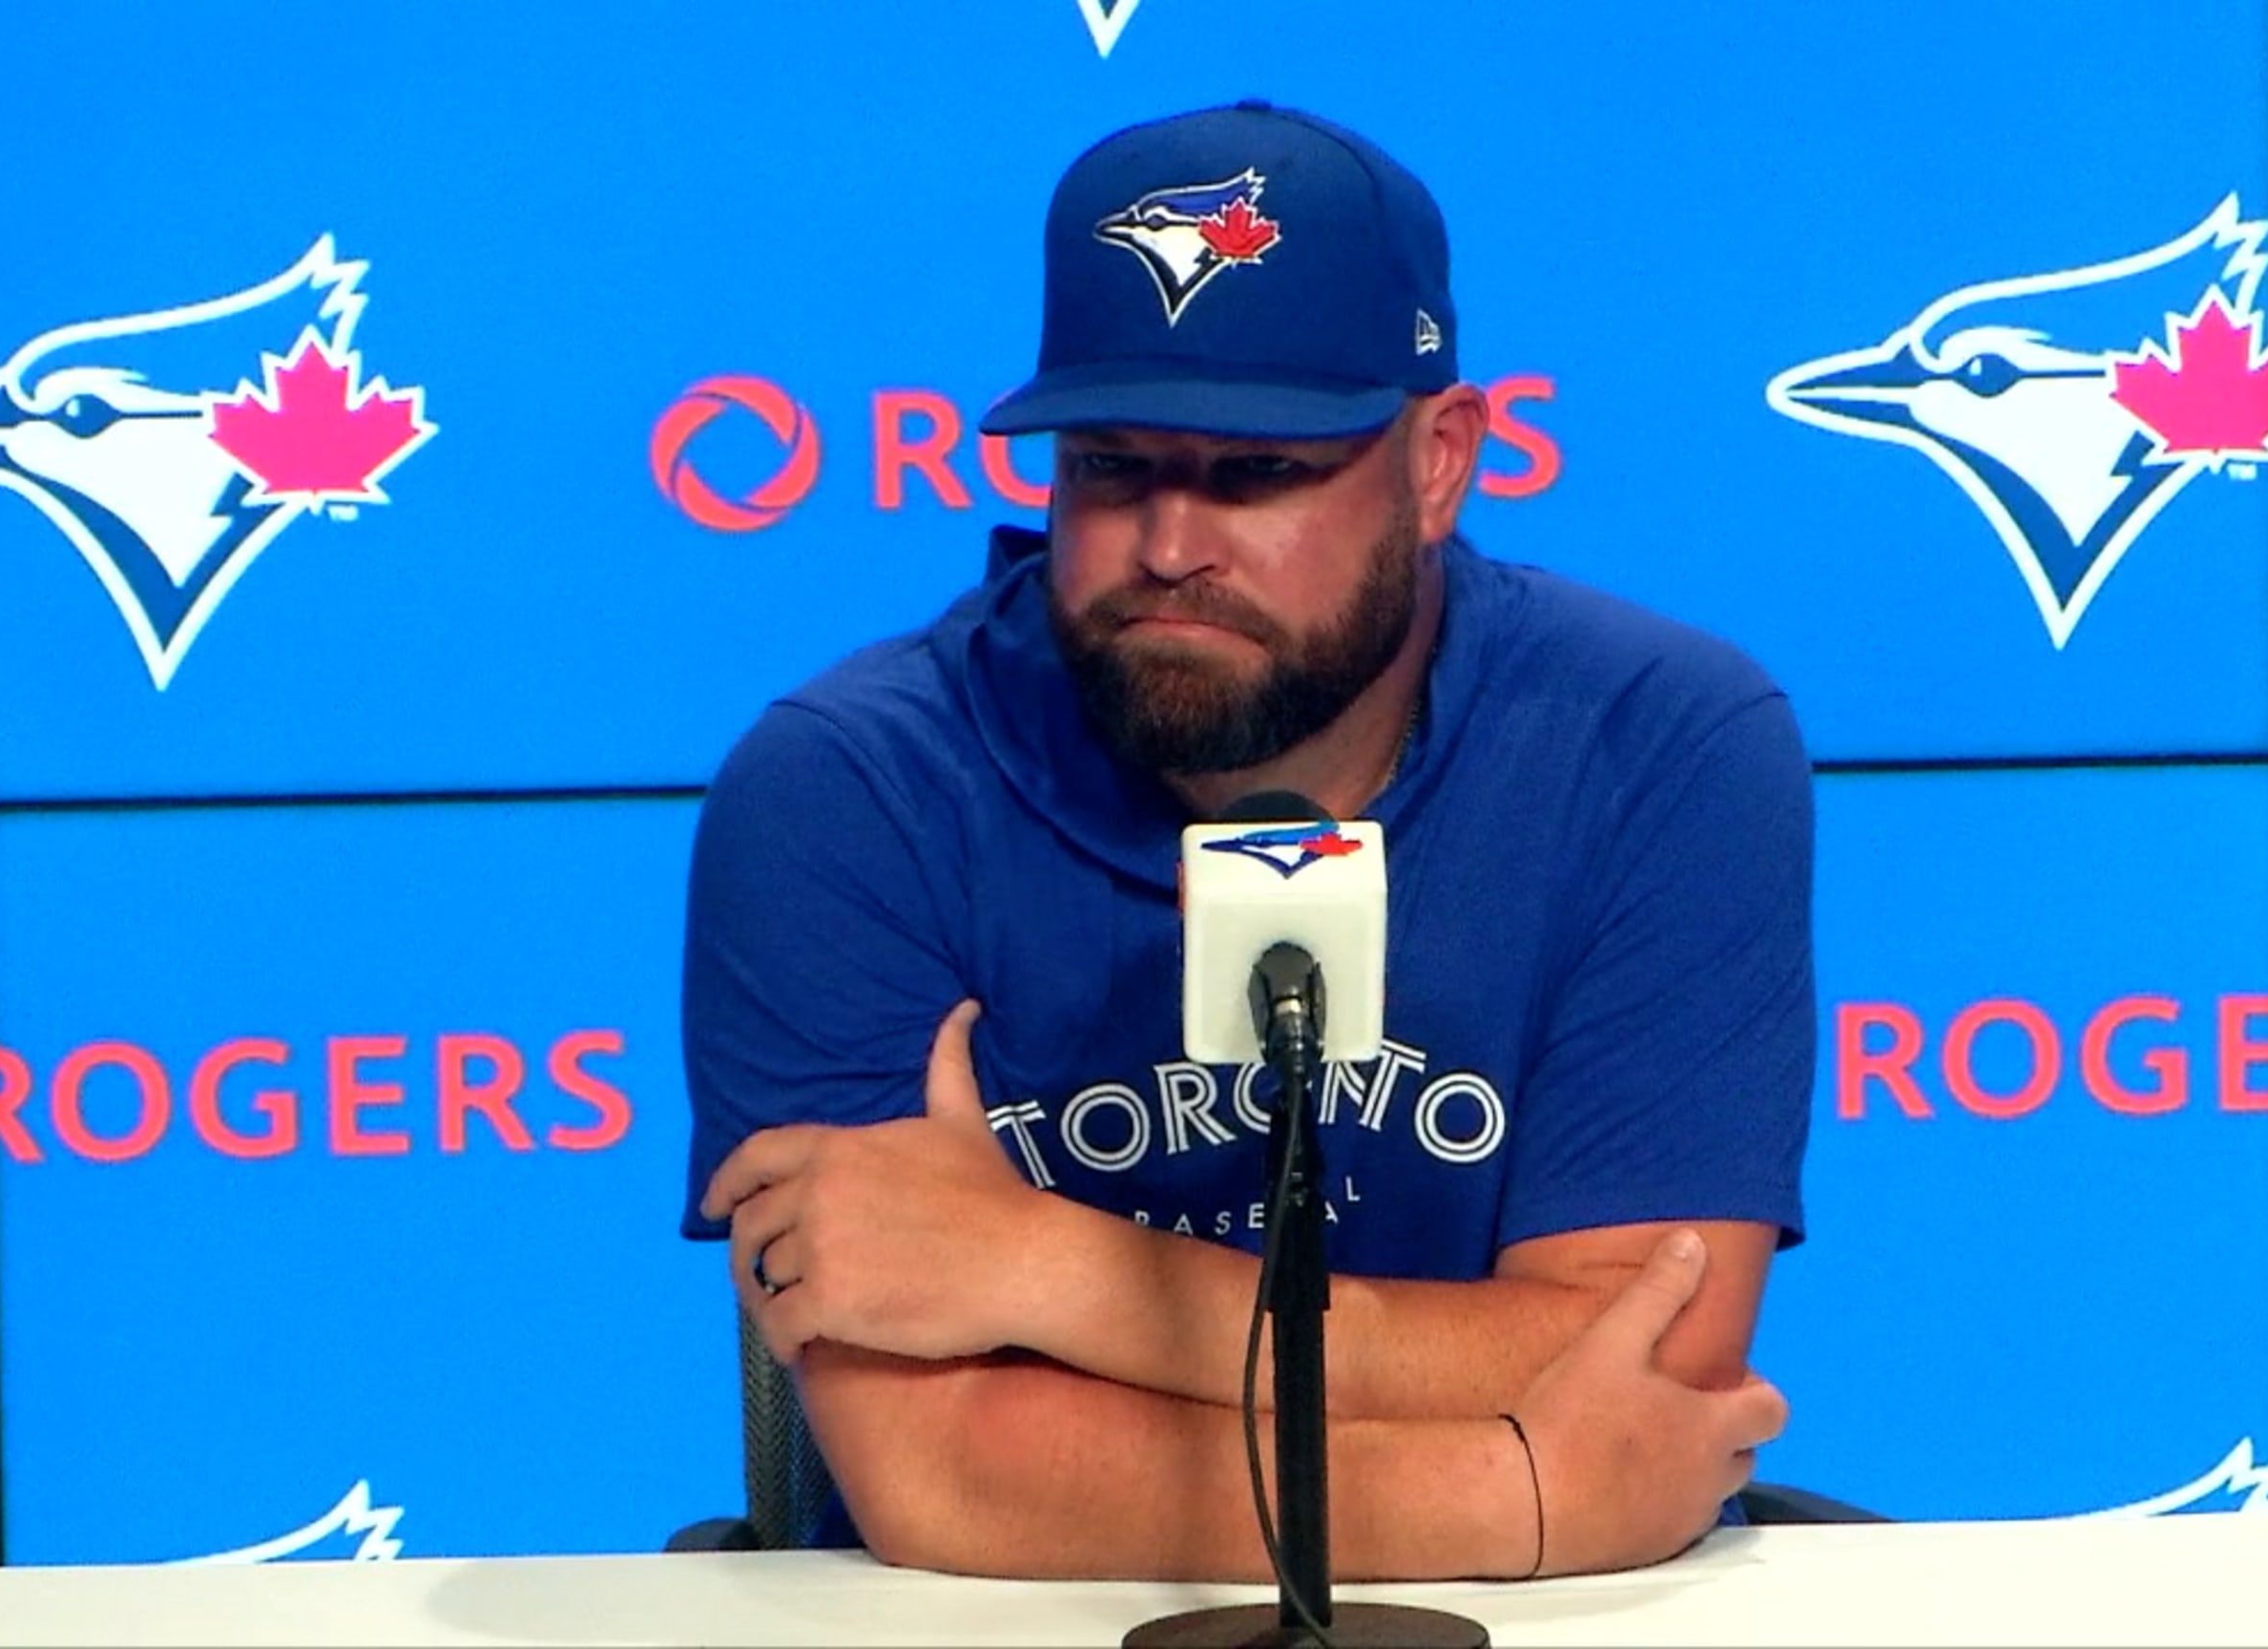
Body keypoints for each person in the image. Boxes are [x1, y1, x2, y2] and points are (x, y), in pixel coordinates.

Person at [680, 99, 1813, 1583]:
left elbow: (1649, 1350)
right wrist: (1518, 1493)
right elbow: (950, 1480)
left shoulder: (1654, 740)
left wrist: (1046, 1268)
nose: (1167, 546)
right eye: (1109, 466)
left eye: (1256, 475)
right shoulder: (846, 792)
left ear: (1438, 461)